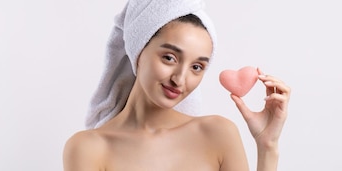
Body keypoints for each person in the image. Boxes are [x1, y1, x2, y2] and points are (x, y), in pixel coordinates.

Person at [63, 0, 290, 170]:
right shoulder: (88, 148)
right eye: (169, 58)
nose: (180, 79)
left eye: (196, 67)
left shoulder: (218, 133)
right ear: (138, 50)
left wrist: (267, 145)